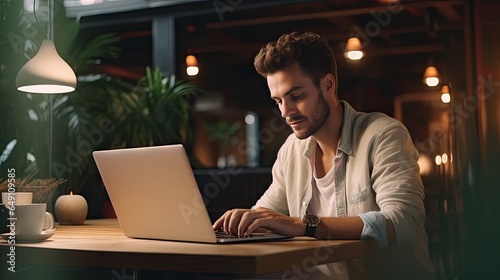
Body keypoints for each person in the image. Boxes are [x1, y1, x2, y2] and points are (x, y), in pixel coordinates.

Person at [213, 31, 436, 279]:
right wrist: (244, 221)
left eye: (296, 96)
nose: (285, 112)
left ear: (328, 85)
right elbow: (267, 215)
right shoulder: (292, 150)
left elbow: (402, 220)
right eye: (278, 101)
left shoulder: (383, 135)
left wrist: (305, 225)